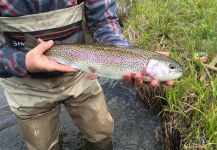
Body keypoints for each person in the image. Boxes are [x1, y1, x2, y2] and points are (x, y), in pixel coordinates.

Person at [0, 0, 173, 149]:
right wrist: (23, 62)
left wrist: (122, 51)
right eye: (171, 68)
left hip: (80, 69)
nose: (173, 72)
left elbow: (103, 21)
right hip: (23, 83)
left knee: (102, 134)